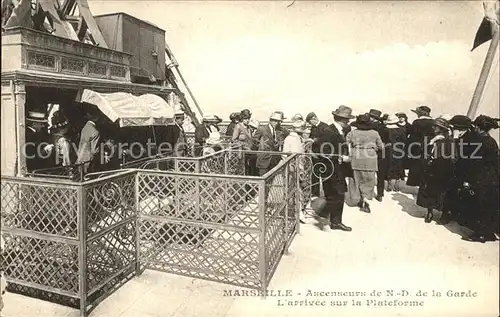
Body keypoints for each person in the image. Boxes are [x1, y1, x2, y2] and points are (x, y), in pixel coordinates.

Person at [306, 112, 352, 232]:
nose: (348, 122)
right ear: (343, 119)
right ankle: (328, 215)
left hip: (335, 168)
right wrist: (341, 157)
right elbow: (322, 150)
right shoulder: (329, 131)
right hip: (333, 169)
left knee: (337, 194)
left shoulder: (333, 129)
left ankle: (335, 221)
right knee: (337, 194)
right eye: (347, 119)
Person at [460, 115, 499, 243]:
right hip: (491, 177)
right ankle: (488, 233)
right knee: (488, 205)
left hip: (482, 177)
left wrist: (467, 179)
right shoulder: (491, 141)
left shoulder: (480, 141)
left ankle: (482, 234)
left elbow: (473, 163)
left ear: (479, 127)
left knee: (481, 205)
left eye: (476, 126)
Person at [416, 117, 455, 223]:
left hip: (442, 168)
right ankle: (429, 212)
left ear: (441, 128)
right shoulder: (430, 138)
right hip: (430, 168)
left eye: (436, 126)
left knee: (441, 192)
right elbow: (424, 152)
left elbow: (450, 156)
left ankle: (443, 214)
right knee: (429, 190)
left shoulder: (449, 141)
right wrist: (431, 143)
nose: (433, 128)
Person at [346, 114, 384, 213]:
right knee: (368, 180)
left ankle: (358, 198)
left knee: (356, 180)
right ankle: (366, 199)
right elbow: (381, 147)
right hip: (370, 159)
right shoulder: (375, 133)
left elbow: (345, 144)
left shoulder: (352, 133)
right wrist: (373, 147)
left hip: (356, 158)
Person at [282, 120, 309, 223]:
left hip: (297, 166)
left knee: (297, 188)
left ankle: (298, 210)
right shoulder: (291, 139)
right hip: (293, 167)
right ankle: (298, 212)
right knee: (296, 189)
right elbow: (285, 154)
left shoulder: (297, 138)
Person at [406, 105, 435, 187]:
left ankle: (416, 183)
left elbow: (412, 136)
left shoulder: (417, 122)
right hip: (429, 147)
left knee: (416, 166)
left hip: (416, 147)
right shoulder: (433, 122)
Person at [368, 109, 390, 202]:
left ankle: (368, 193)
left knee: (369, 173)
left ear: (372, 118)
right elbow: (388, 142)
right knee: (380, 174)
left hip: (370, 152)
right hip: (382, 152)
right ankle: (380, 194)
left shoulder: (368, 127)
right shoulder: (384, 128)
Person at [385, 114, 407, 192]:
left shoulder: (385, 130)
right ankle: (397, 186)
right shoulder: (401, 130)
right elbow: (404, 140)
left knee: (389, 166)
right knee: (398, 167)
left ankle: (389, 186)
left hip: (388, 150)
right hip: (399, 150)